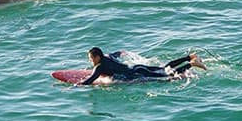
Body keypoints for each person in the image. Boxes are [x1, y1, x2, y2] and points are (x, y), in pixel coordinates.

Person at [77, 47, 205, 85]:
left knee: (167, 76)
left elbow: (90, 80)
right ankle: (190, 57)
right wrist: (120, 52)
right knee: (165, 69)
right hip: (138, 68)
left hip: (138, 74)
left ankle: (191, 64)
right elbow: (116, 54)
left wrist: (75, 86)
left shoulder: (99, 67)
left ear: (97, 57)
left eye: (91, 59)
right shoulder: (107, 57)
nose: (90, 61)